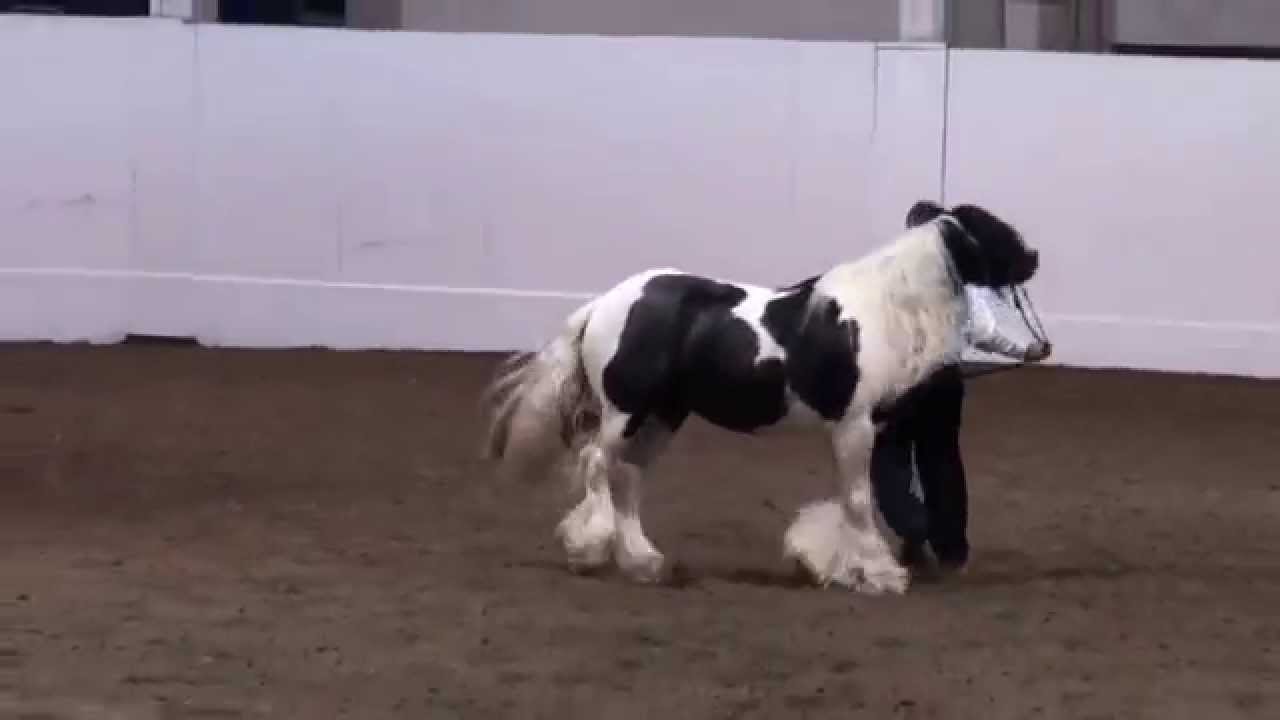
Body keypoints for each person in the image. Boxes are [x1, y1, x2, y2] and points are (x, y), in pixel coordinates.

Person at [871, 202, 1051, 574]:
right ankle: (952, 552)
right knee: (943, 462)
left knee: (889, 454)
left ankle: (912, 527)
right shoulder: (958, 276)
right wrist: (1025, 350)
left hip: (904, 379)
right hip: (946, 381)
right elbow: (982, 330)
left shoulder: (894, 270)